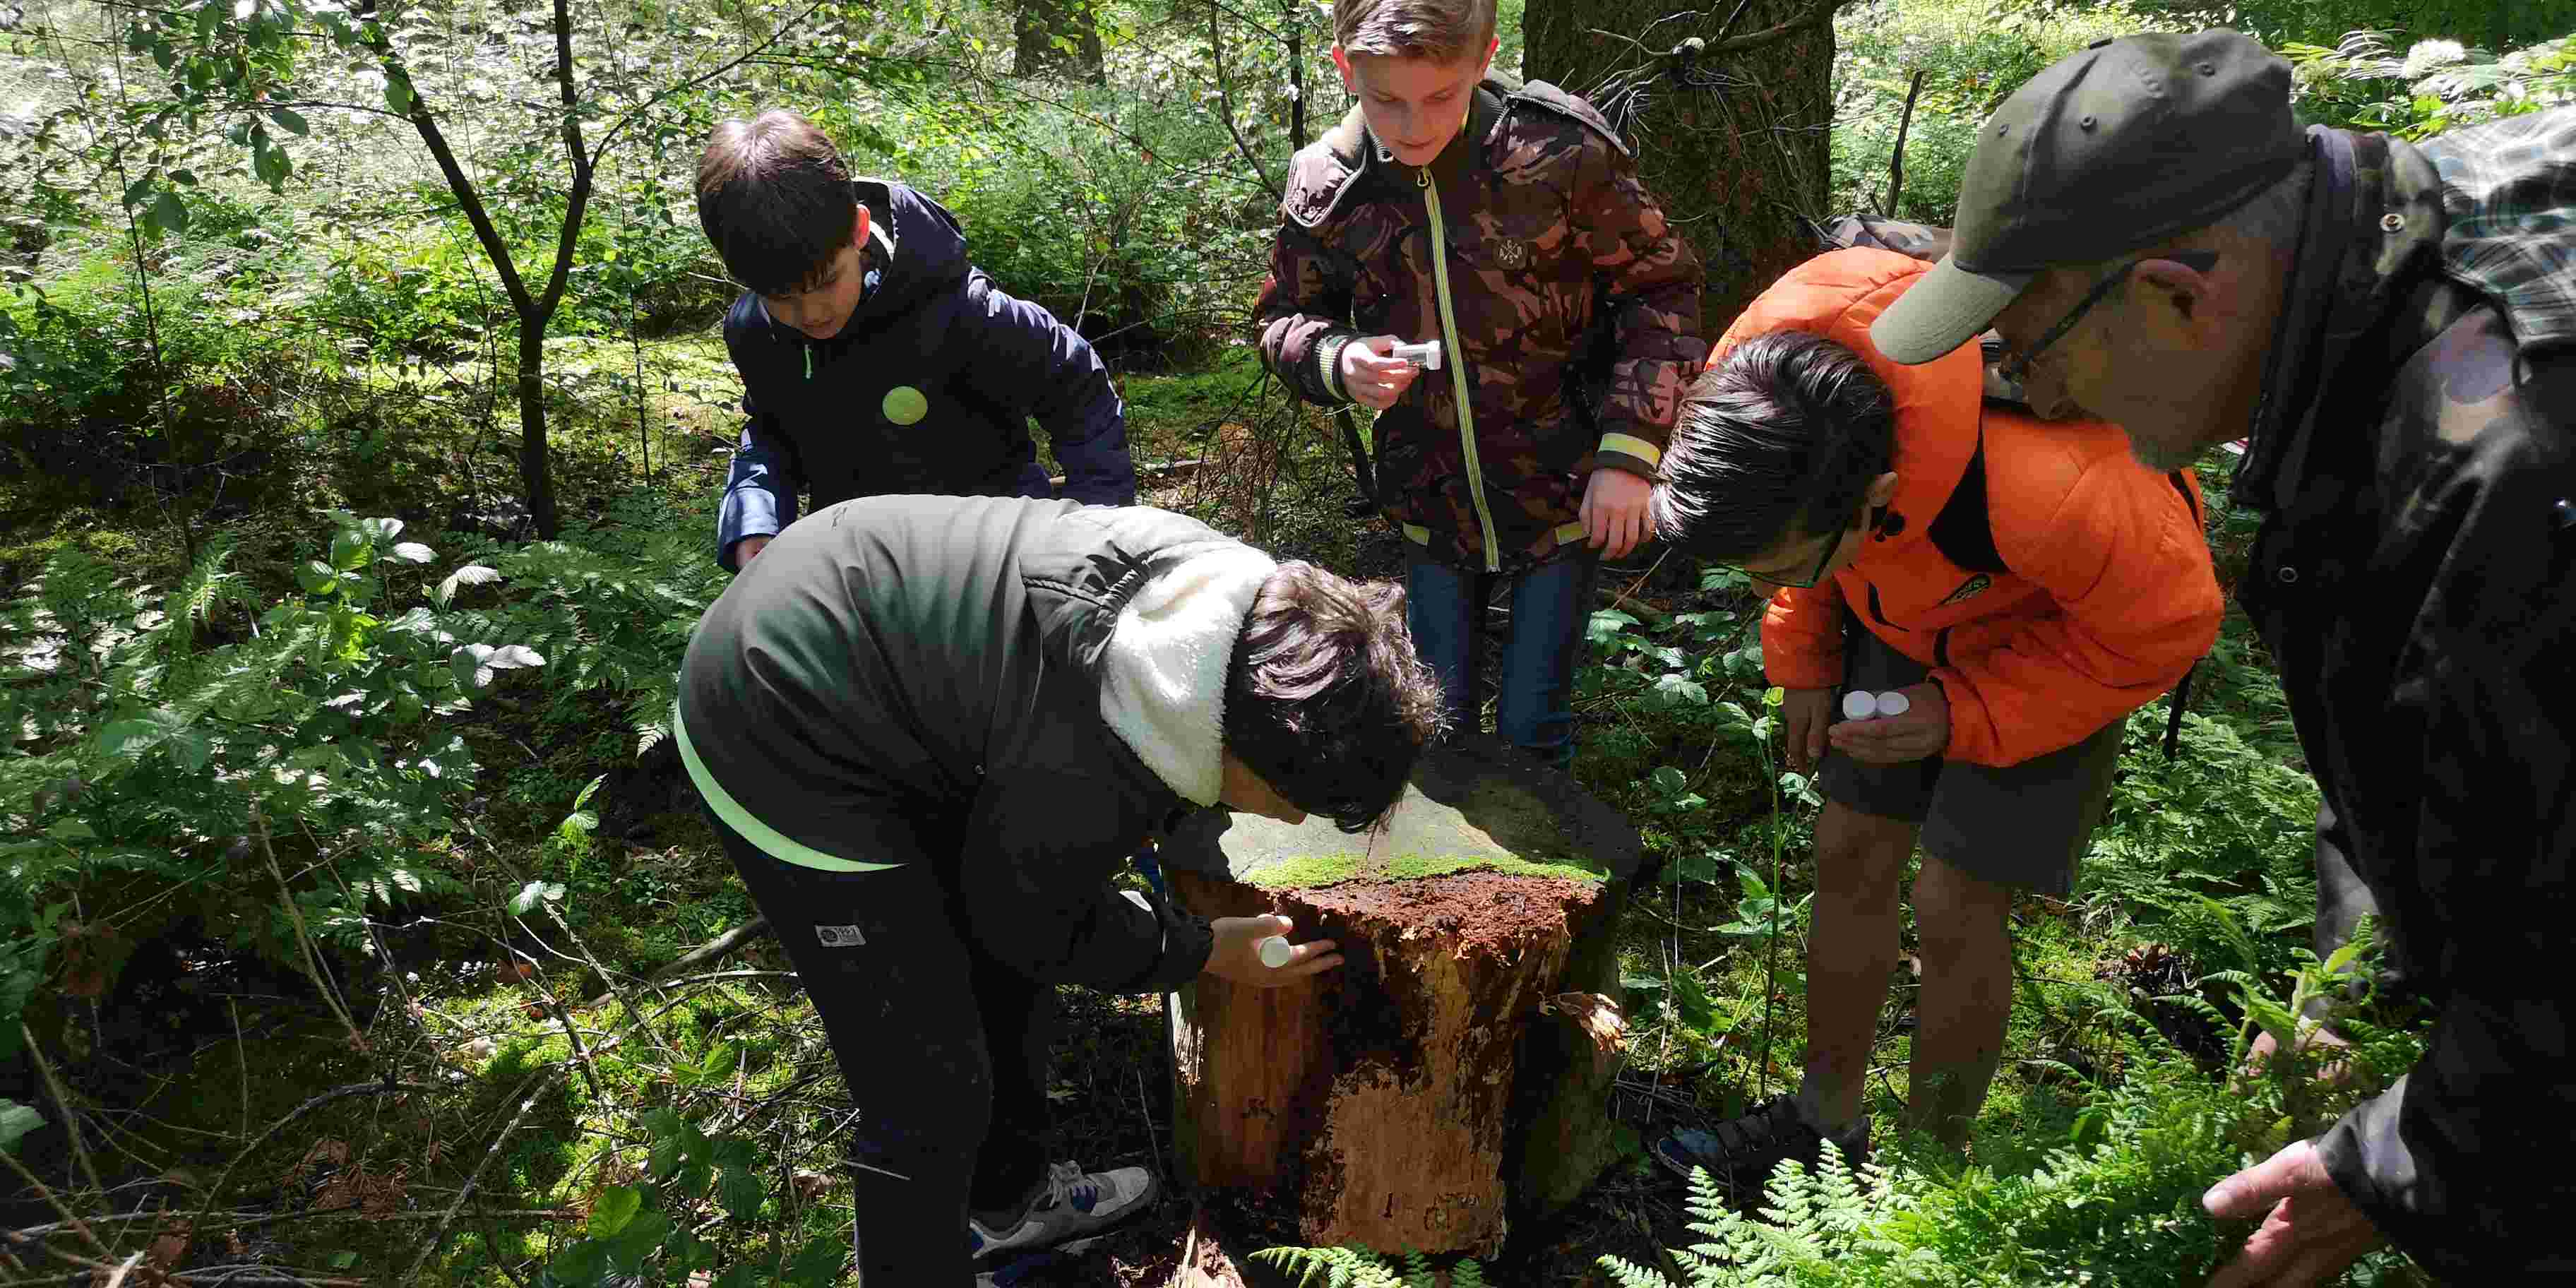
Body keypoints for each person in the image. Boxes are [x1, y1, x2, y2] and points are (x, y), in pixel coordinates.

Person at [1868, 28, 2575, 1284]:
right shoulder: (2390, 251)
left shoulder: (2494, 465)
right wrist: (2355, 972)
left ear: (2178, 292)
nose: (2035, 398)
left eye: (2033, 356)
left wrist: (2396, 1160)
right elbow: (2433, 737)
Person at [674, 494, 1445, 1284]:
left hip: (885, 656)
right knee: (930, 1091)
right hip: (776, 717)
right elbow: (1029, 917)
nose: (1289, 823)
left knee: (997, 972)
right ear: (1247, 751)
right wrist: (1201, 950)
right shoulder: (1088, 764)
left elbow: (1027, 884)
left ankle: (1004, 1207)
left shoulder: (1232, 618)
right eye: (1297, 803)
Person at [1642, 249, 2222, 1191]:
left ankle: (1926, 1171)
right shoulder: (1762, 389)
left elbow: (2170, 625)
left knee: (1956, 899)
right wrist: (1803, 658)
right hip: (1895, 602)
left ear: (1872, 502)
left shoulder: (2055, 493)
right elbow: (1789, 537)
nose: (1767, 591)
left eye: (1780, 569)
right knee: (1850, 845)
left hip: (2059, 644)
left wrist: (1965, 712)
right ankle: (1820, 1119)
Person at [1253, 0, 1705, 767]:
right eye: (1385, 99)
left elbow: (1663, 293)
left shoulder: (1559, 151)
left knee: (1534, 728)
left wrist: (1631, 454)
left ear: (1484, 57)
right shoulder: (1328, 180)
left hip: (1565, 488)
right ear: (1344, 70)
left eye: (1441, 96)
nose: (1413, 124)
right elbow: (1281, 320)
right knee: (1436, 723)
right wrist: (1339, 359)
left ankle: (1550, 877)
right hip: (1429, 498)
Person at [695, 111, 1134, 571]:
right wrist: (756, 519)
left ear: (859, 231)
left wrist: (1096, 526)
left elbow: (1077, 385)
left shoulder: (959, 309)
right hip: (862, 570)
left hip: (1001, 559)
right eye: (781, 297)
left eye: (826, 283)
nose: (811, 314)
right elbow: (772, 433)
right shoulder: (757, 335)